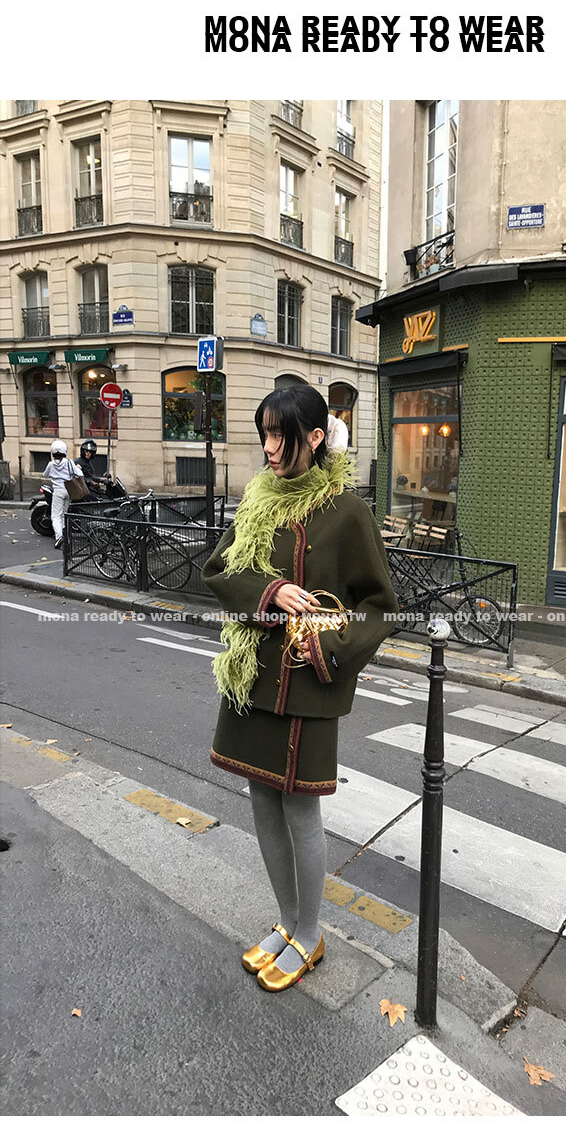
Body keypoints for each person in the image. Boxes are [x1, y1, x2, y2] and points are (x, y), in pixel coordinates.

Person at [202, 385, 399, 992]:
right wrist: (270, 591)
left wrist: (331, 649)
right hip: (252, 678)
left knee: (299, 807)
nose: (268, 447)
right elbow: (218, 570)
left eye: (280, 435)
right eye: (264, 433)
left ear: (315, 437)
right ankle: (287, 923)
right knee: (261, 801)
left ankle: (310, 936)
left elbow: (381, 606)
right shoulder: (259, 498)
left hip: (308, 682)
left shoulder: (347, 512)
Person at [42, 439, 85, 549]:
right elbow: (79, 474)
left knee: (55, 516)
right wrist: (77, 468)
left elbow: (45, 475)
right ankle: (65, 536)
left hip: (58, 491)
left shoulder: (51, 464)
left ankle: (59, 537)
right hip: (69, 490)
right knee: (63, 514)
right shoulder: (69, 462)